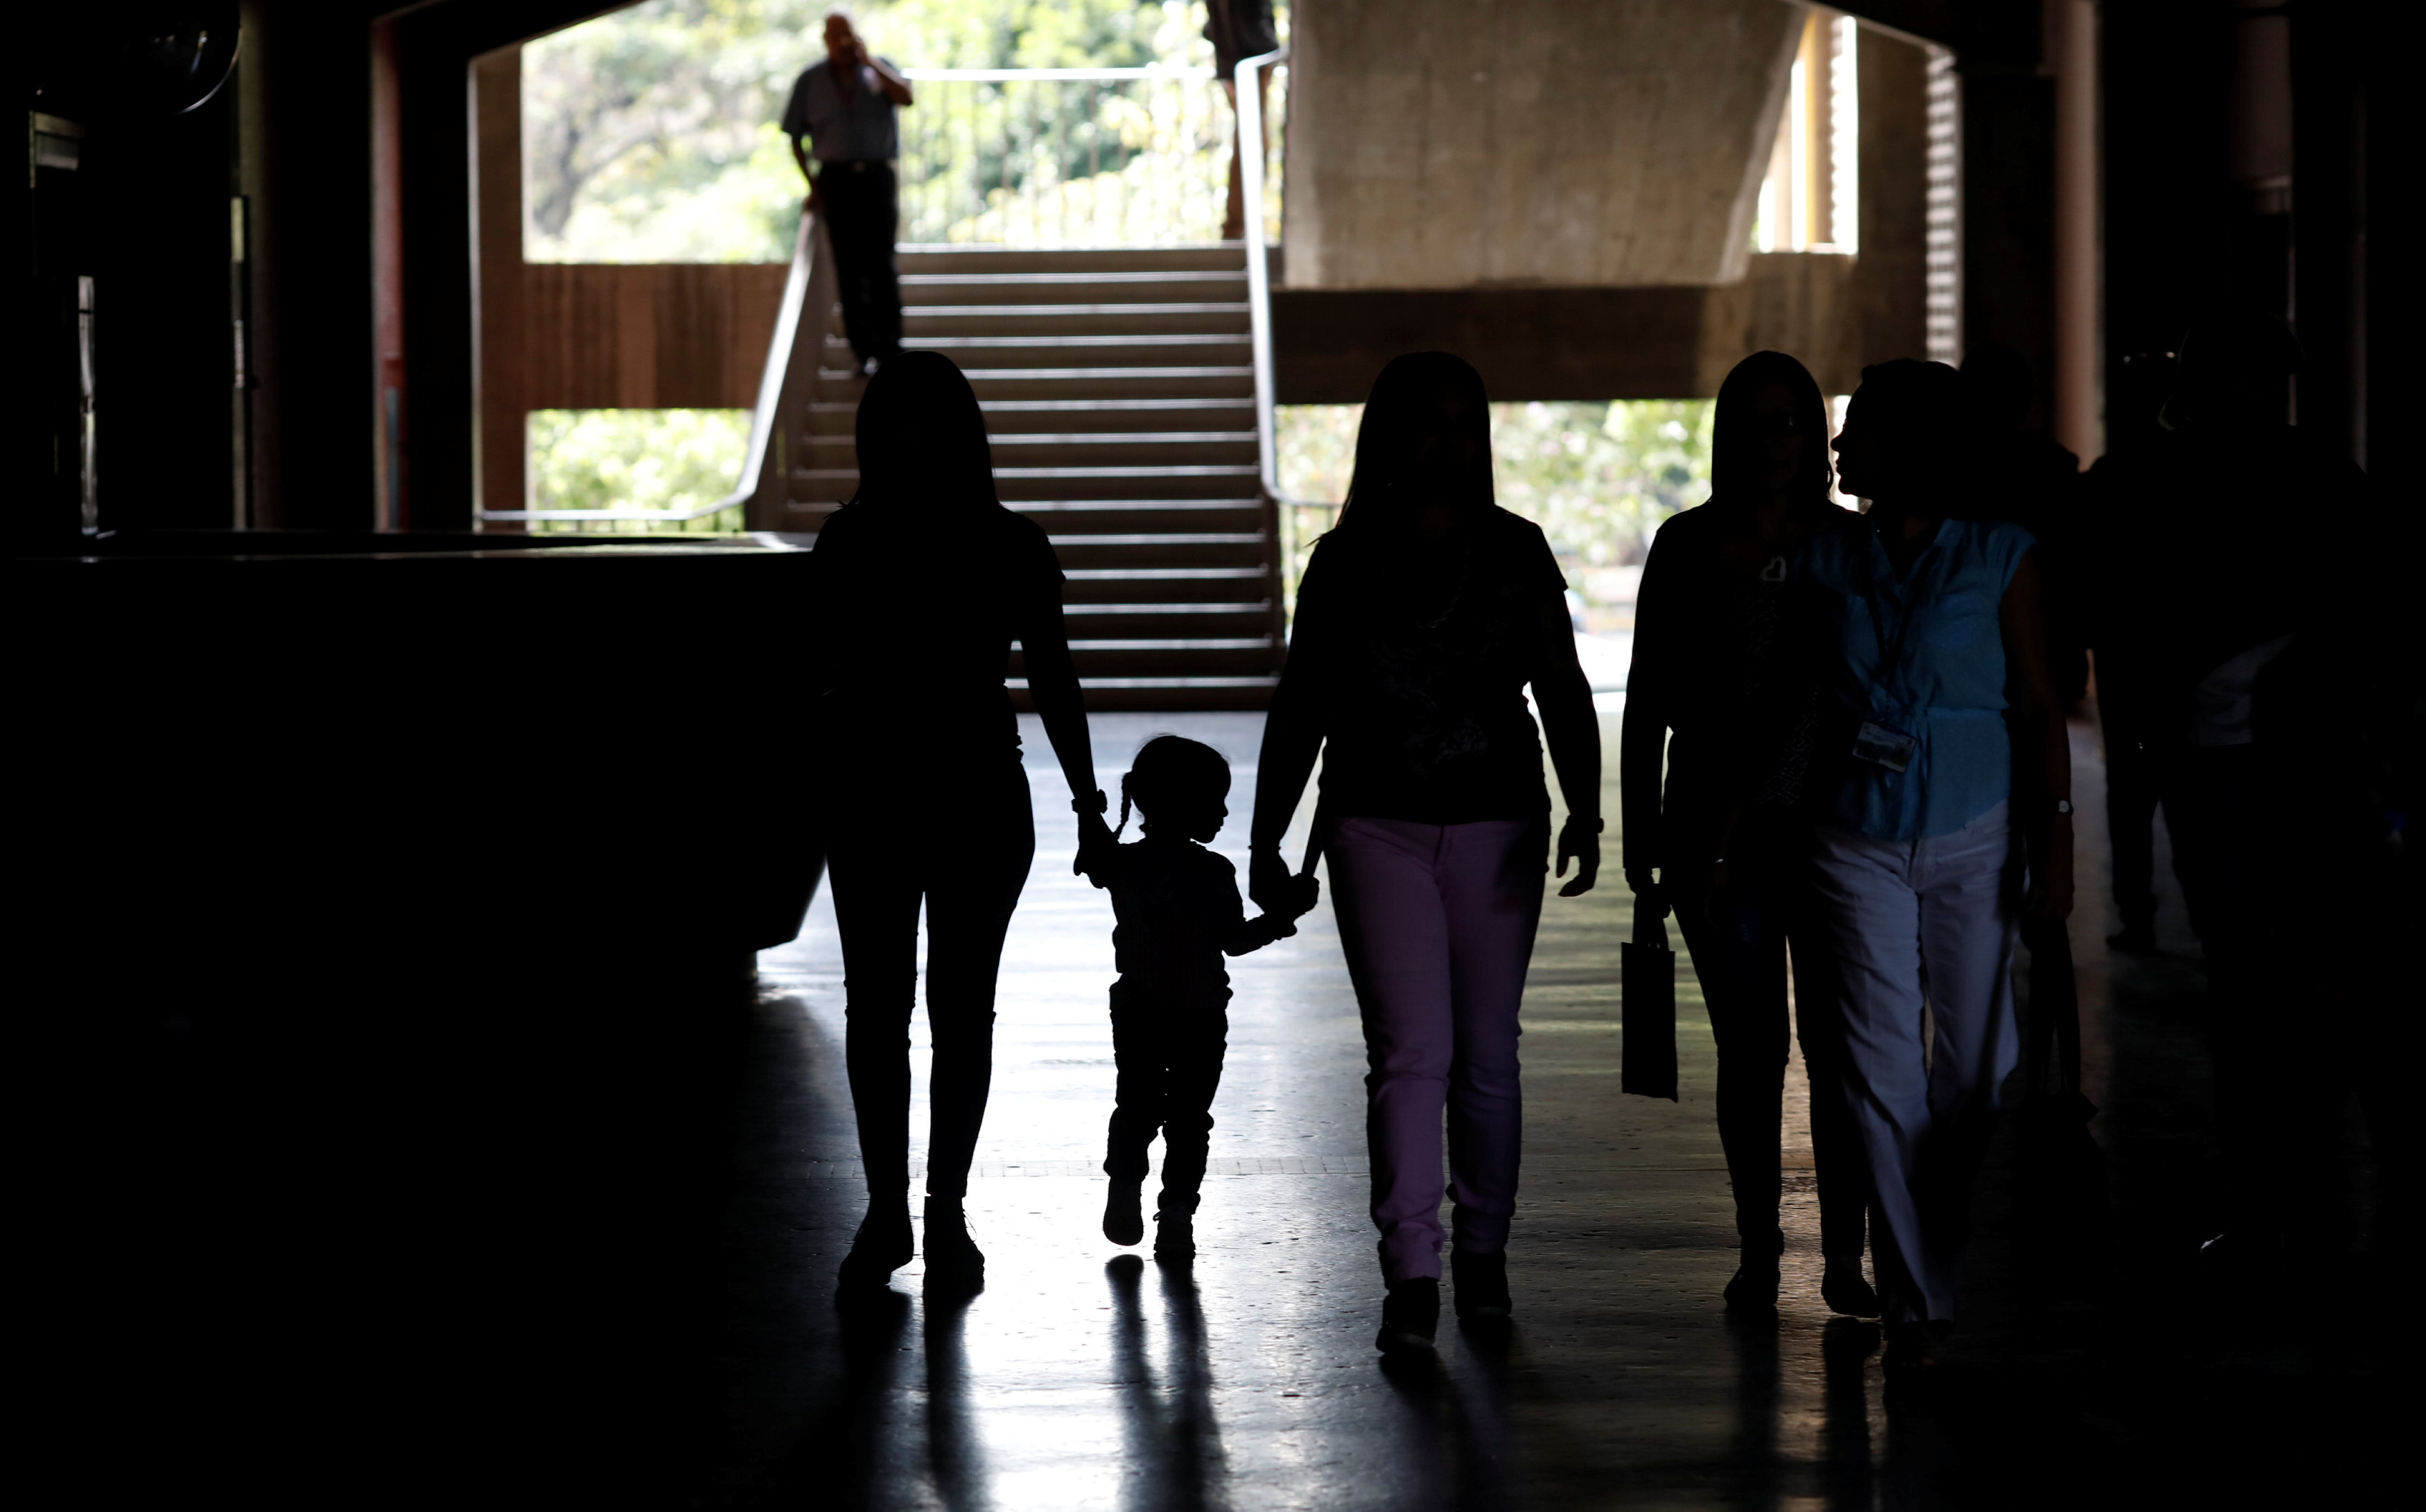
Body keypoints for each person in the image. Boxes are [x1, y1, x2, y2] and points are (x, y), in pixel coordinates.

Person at [1248, 351, 1602, 1358]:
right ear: (1388, 436)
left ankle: (1482, 1255)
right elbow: (1303, 702)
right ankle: (1413, 1270)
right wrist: (1269, 834)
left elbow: (1562, 685)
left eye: (1459, 422)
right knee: (1412, 1055)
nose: (1442, 441)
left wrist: (1588, 807)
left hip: (1497, 823)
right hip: (1375, 824)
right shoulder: (1343, 561)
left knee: (1487, 1052)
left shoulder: (1517, 551)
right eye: (1423, 422)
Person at [807, 351, 1111, 1294]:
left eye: (922, 422)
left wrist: (1090, 804)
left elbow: (1054, 680)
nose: (912, 440)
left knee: (910, 1008)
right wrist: (1087, 805)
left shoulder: (856, 542)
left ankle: (918, 1209)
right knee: (919, 1009)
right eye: (901, 423)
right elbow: (1051, 681)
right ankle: (915, 1210)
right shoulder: (1003, 541)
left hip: (920, 793)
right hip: (949, 789)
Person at [1792, 359, 2073, 1369]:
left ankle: (1931, 1241)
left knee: (1983, 1070)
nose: (1838, 448)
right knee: (1880, 1073)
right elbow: (1786, 697)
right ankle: (1919, 1305)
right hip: (1853, 838)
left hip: (1978, 827)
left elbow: (2041, 707)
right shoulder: (1826, 561)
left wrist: (2058, 844)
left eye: (1857, 429)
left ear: (1910, 445)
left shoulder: (2003, 556)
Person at [1621, 350, 1875, 1322]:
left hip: (1835, 824)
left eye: (1794, 422)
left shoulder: (1854, 546)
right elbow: (1647, 692)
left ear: (1818, 436)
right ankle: (1760, 1245)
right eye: (1759, 422)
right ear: (1729, 435)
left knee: (1841, 1047)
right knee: (1752, 1046)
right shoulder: (1686, 545)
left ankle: (1846, 1255)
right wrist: (1637, 827)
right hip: (1711, 826)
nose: (1778, 440)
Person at [1087, 737, 1320, 1263]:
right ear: (1184, 803)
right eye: (1215, 801)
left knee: (1137, 1106)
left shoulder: (1122, 865)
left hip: (1139, 1010)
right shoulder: (1213, 872)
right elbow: (1234, 942)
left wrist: (1094, 823)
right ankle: (1176, 1216)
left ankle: (1125, 1186)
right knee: (1191, 1118)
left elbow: (1098, 860)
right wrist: (1285, 916)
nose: (1224, 812)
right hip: (1200, 1015)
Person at [783, 10, 914, 373]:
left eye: (848, 37)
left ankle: (891, 347)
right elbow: (794, 136)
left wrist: (869, 61)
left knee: (881, 263)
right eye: (836, 38)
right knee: (849, 267)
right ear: (825, 40)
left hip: (876, 178)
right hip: (836, 181)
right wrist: (813, 186)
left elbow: (906, 97)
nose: (843, 45)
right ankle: (862, 351)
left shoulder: (878, 70)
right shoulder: (810, 80)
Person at [1204, 0, 1279, 243]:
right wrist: (1270, 49)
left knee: (1252, 144)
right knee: (1252, 146)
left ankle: (1238, 227)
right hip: (1249, 64)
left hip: (1242, 64)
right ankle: (1236, 228)